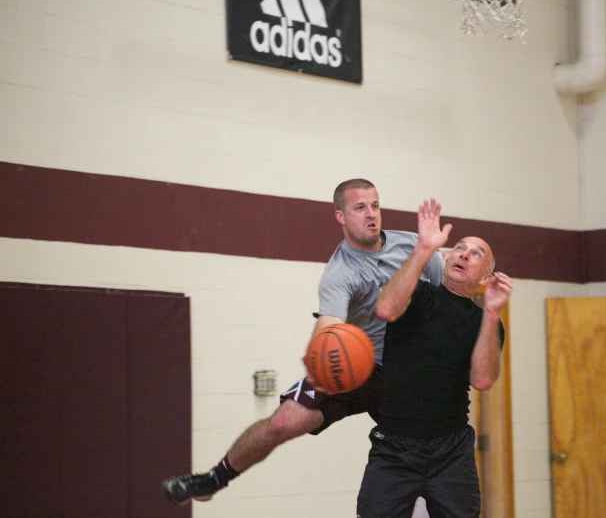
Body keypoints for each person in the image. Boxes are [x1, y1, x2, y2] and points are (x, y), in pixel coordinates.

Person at [163, 179, 444, 504]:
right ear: (340, 216)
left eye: (375, 206)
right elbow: (329, 328)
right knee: (282, 422)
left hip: (409, 376)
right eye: (360, 207)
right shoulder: (339, 273)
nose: (371, 215)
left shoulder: (415, 246)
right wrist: (320, 355)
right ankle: (214, 478)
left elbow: (446, 301)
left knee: (431, 465)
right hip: (361, 369)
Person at [356, 199, 512, 518]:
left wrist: (492, 312)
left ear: (485, 278)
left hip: (451, 450)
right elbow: (385, 309)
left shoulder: (486, 323)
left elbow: (482, 380)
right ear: (445, 257)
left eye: (476, 254)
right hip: (394, 447)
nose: (464, 254)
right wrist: (424, 248)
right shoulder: (418, 295)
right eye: (460, 248)